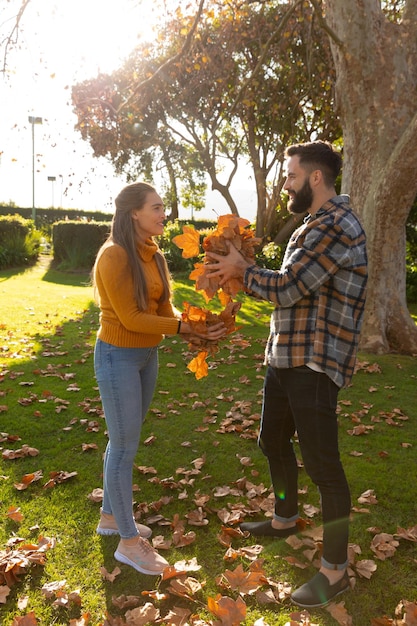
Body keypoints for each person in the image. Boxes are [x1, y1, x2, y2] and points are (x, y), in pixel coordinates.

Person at [205, 141, 367, 608]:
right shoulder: (314, 223)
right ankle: (284, 518)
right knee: (271, 440)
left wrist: (244, 268)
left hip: (315, 362)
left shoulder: (338, 224)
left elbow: (292, 286)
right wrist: (240, 273)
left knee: (323, 467)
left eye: (291, 175)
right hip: (286, 356)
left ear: (316, 178)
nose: (286, 182)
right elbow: (291, 286)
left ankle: (334, 572)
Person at [93, 182, 225, 576]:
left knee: (123, 441)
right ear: (134, 212)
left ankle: (110, 518)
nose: (163, 213)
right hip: (117, 355)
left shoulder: (154, 256)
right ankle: (130, 544)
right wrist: (185, 328)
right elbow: (132, 318)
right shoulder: (114, 255)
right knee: (125, 445)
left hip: (145, 357)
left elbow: (164, 312)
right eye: (156, 207)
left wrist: (200, 331)